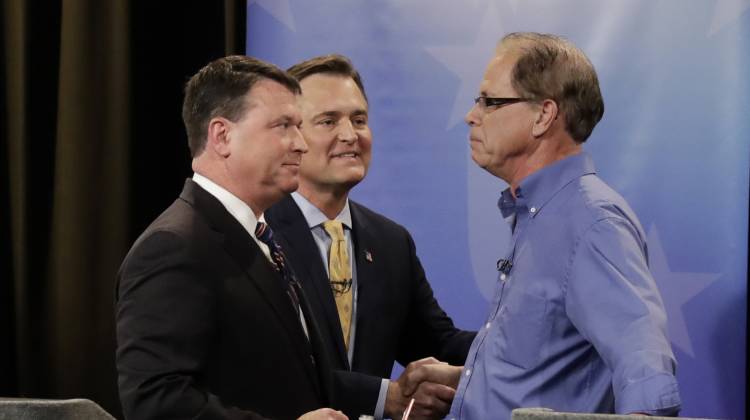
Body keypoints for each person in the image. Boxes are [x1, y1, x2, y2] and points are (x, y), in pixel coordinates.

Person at [401, 32, 682, 418]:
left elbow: (643, 355)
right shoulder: (538, 214)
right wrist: (466, 378)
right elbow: (544, 367)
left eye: (490, 101)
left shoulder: (591, 221)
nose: (472, 114)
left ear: (543, 115)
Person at [115, 55, 346, 420]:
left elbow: (291, 372)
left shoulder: (265, 237)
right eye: (283, 125)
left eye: (299, 126)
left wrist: (387, 395)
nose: (301, 143)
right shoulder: (174, 246)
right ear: (222, 136)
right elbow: (156, 403)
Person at [265, 54, 476, 419]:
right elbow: (268, 366)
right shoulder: (258, 234)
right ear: (292, 136)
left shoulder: (391, 242)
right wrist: (385, 396)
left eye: (359, 120)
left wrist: (514, 345)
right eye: (328, 121)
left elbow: (439, 345)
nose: (351, 135)